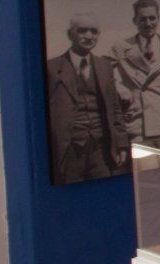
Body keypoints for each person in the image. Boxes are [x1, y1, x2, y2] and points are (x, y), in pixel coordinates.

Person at [45, 13, 128, 182]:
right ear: (70, 34)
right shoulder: (51, 68)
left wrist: (121, 145)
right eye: (82, 31)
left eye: (94, 31)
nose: (89, 36)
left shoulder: (105, 67)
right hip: (69, 150)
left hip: (101, 149)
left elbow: (115, 108)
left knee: (103, 192)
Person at [112, 0, 160, 146]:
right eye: (143, 19)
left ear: (158, 18)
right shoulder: (120, 47)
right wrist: (119, 87)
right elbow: (105, 75)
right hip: (138, 123)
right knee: (144, 169)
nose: (148, 23)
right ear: (135, 20)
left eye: (152, 18)